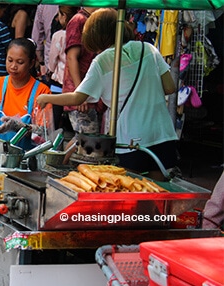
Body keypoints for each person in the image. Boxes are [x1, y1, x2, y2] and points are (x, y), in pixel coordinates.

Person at [37, 8, 178, 181]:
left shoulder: (103, 60)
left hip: (132, 141)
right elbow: (170, 87)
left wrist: (46, 98)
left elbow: (77, 98)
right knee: (158, 194)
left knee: (130, 191)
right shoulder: (148, 49)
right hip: (162, 134)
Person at [63, 7, 99, 135]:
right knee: (87, 140)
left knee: (83, 140)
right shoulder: (79, 20)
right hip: (80, 93)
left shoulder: (90, 20)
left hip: (87, 92)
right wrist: (80, 94)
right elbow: (72, 57)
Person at [47, 6, 78, 128]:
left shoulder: (59, 35)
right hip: (75, 83)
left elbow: (52, 60)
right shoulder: (81, 33)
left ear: (64, 16)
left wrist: (49, 71)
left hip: (59, 83)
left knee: (54, 119)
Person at [31, 4, 59, 81]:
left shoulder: (44, 4)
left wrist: (41, 62)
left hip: (49, 62)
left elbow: (36, 38)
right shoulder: (79, 3)